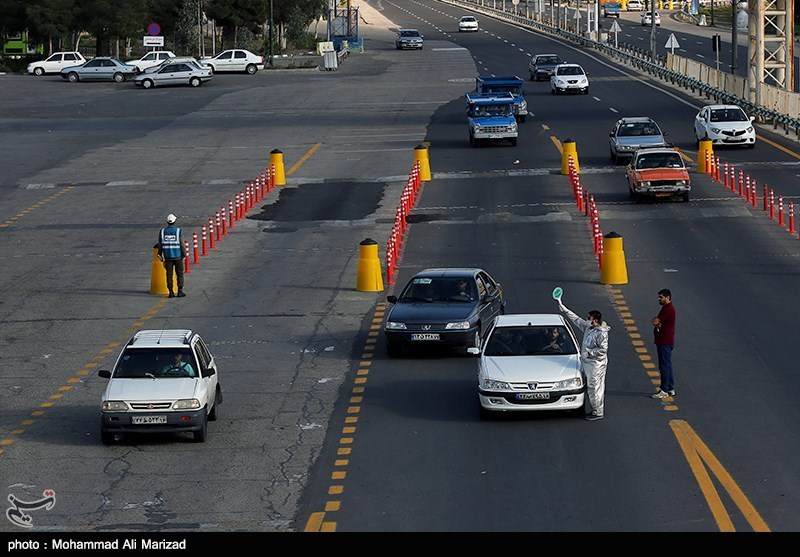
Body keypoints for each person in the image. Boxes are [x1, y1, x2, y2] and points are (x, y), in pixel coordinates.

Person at [558, 299, 611, 421]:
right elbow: (577, 319)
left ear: (595, 321)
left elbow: (603, 351)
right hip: (586, 362)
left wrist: (589, 354)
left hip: (595, 365)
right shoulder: (589, 327)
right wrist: (564, 308)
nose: (587, 320)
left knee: (594, 387)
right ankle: (594, 409)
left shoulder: (601, 334)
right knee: (590, 388)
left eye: (589, 318)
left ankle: (597, 412)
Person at [651, 289, 676, 399]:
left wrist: (656, 321)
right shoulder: (666, 308)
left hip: (664, 342)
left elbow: (655, 321)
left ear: (667, 297)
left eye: (661, 297)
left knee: (664, 366)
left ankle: (664, 390)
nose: (659, 299)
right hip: (665, 341)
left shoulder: (668, 309)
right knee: (667, 365)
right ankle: (670, 388)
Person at [157, 213, 187, 298]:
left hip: (167, 257)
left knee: (169, 275)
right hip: (177, 257)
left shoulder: (162, 232)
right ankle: (180, 291)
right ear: (174, 221)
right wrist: (184, 255)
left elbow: (160, 244)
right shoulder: (178, 231)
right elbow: (182, 244)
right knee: (179, 274)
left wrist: (159, 254)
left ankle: (171, 292)